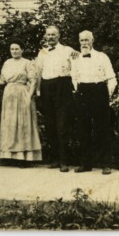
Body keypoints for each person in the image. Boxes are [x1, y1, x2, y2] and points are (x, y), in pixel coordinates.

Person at [0, 38, 42, 166]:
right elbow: (2, 81)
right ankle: (10, 157)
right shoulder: (7, 63)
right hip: (9, 95)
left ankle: (25, 157)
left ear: (22, 50)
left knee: (23, 124)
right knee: (10, 124)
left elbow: (33, 81)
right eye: (12, 49)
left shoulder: (27, 63)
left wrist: (29, 97)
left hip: (23, 94)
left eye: (17, 49)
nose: (14, 51)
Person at [71, 30, 117, 174]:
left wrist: (106, 94)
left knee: (102, 128)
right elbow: (74, 76)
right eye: (82, 40)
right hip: (82, 92)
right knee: (83, 128)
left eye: (87, 40)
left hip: (99, 91)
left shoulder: (102, 57)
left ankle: (106, 163)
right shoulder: (75, 58)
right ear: (79, 41)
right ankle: (86, 164)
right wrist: (76, 90)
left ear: (92, 40)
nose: (84, 43)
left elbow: (111, 78)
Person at [35, 25, 77, 172]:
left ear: (59, 36)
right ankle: (55, 159)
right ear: (45, 37)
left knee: (62, 124)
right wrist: (38, 91)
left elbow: (77, 69)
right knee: (50, 124)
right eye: (48, 35)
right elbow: (38, 72)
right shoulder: (42, 53)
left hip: (63, 86)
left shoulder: (68, 50)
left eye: (53, 34)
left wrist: (75, 88)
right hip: (47, 87)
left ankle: (64, 161)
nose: (51, 37)